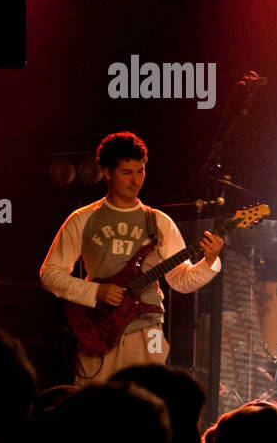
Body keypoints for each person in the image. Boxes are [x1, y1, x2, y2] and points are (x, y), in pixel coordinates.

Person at [40, 132, 223, 384]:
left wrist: (210, 260)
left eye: (140, 171)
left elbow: (181, 280)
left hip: (150, 332)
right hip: (99, 331)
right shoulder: (83, 219)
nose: (135, 180)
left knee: (151, 409)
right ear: (106, 173)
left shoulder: (159, 222)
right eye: (126, 172)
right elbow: (50, 274)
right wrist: (96, 291)